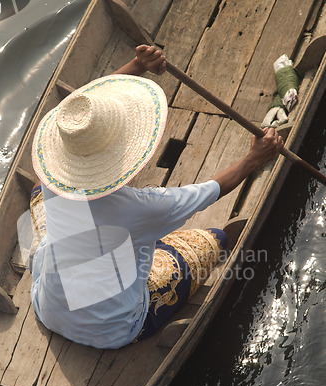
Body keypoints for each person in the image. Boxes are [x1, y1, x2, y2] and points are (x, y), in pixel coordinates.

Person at [28, 45, 283, 349]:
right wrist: (254, 158)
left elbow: (86, 108)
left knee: (37, 195)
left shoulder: (51, 175)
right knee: (214, 239)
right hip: (114, 330)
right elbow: (211, 190)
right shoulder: (142, 208)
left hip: (47, 307)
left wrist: (137, 65)